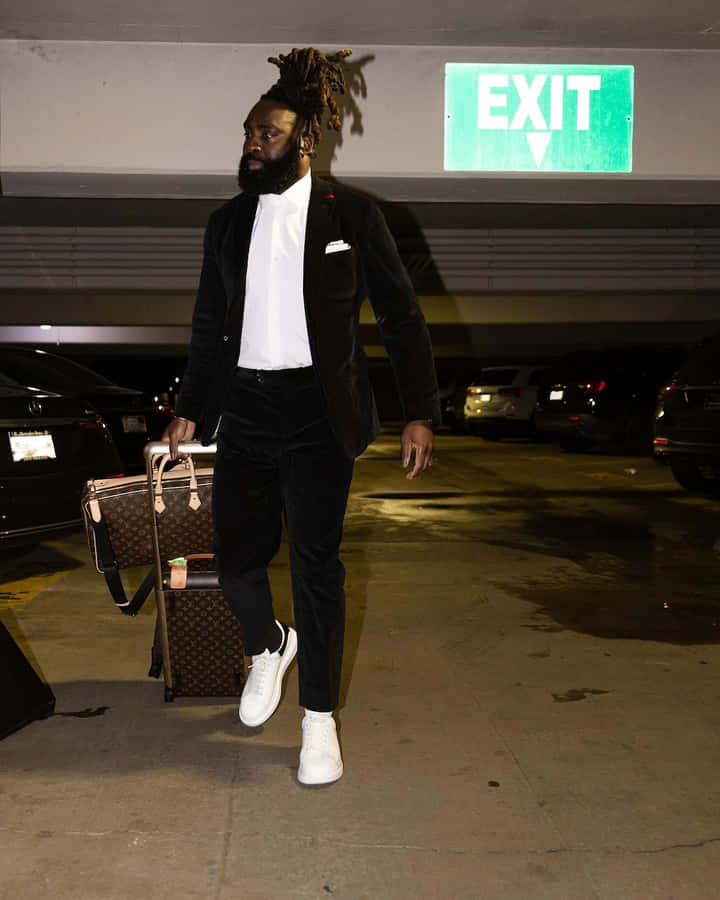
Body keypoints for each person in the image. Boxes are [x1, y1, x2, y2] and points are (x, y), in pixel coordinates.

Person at [164, 47, 440, 786]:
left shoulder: (353, 214)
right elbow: (206, 322)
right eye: (250, 134)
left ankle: (319, 723)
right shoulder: (226, 224)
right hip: (245, 407)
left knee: (318, 567)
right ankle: (269, 644)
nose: (253, 146)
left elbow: (403, 319)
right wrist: (190, 409)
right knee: (236, 561)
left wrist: (421, 412)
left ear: (305, 140)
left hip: (320, 412)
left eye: (269, 136)